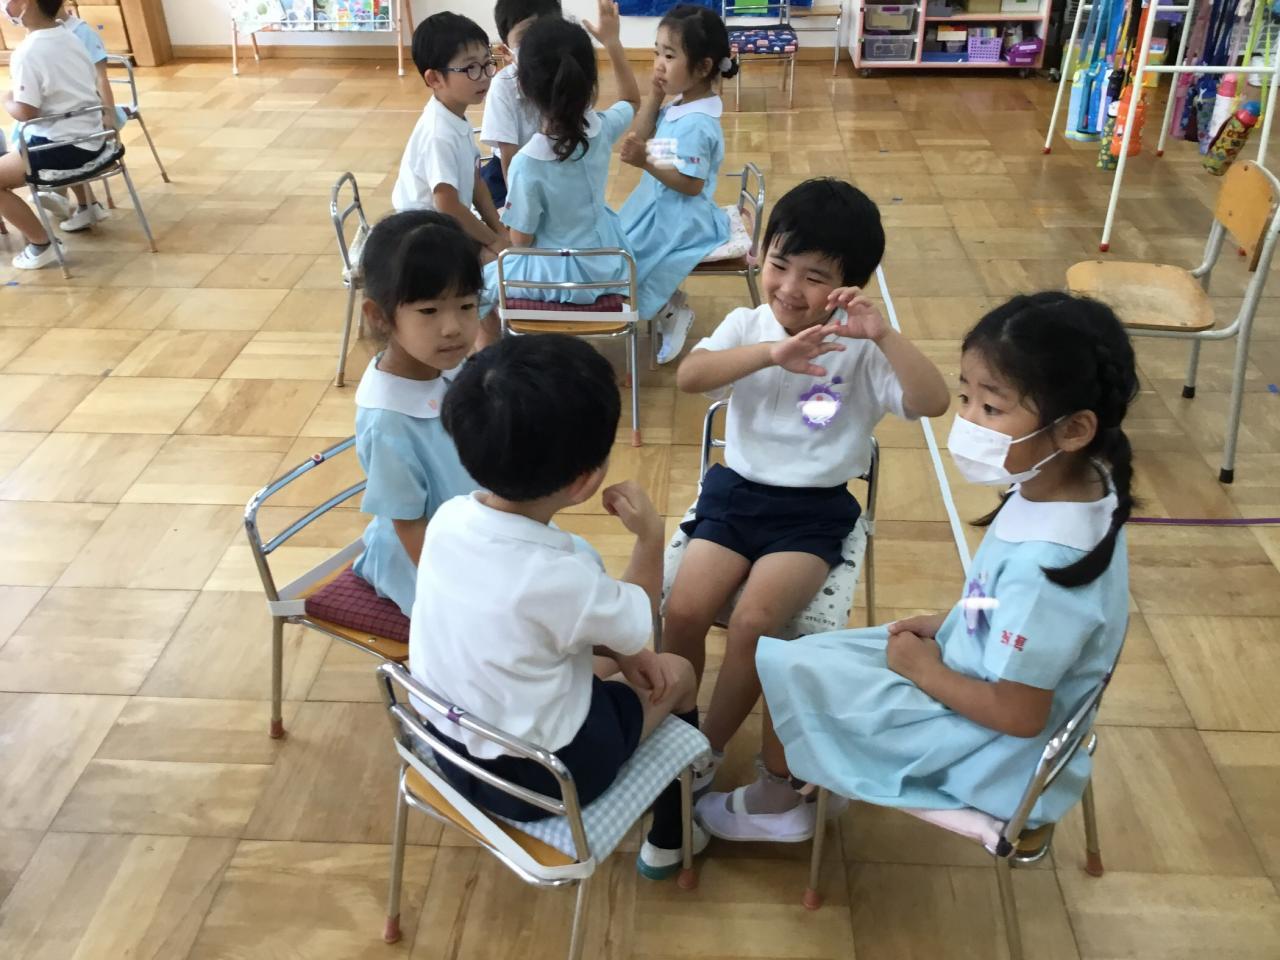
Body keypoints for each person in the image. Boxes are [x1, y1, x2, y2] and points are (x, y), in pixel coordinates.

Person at [700, 293, 1137, 841]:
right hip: (969, 666)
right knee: (798, 659)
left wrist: (924, 671)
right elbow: (1019, 612)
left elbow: (1021, 715)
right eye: (966, 396)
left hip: (987, 753)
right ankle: (802, 780)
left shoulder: (1047, 568)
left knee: (791, 672)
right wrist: (957, 618)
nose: (967, 420)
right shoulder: (1077, 487)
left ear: (1074, 429)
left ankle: (782, 800)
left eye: (991, 409)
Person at [663, 178, 950, 807]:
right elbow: (690, 376)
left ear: (850, 285)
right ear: (761, 257)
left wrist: (884, 336)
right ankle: (675, 728)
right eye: (779, 264)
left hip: (812, 512)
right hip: (734, 495)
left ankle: (705, 749)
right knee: (681, 612)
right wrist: (772, 353)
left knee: (754, 623)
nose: (790, 287)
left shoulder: (862, 347)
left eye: (815, 276)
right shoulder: (747, 323)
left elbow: (933, 401)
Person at [414, 333, 708, 879]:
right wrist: (650, 538)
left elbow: (577, 635)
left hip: (445, 746)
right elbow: (639, 617)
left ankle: (672, 812)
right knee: (680, 672)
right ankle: (674, 833)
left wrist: (623, 655)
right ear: (584, 481)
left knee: (611, 662)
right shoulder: (563, 578)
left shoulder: (449, 519)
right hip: (542, 780)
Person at [349, 210, 484, 618]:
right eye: (429, 311)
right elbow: (409, 525)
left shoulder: (445, 365)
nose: (453, 327)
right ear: (379, 317)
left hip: (472, 531)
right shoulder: (388, 422)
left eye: (467, 305)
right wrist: (459, 597)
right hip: (422, 561)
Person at [483, 0, 640, 310]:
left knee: (480, 286)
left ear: (523, 87)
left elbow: (521, 241)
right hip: (609, 265)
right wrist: (612, 44)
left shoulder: (526, 164)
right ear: (589, 81)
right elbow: (632, 100)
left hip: (554, 276)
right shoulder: (602, 128)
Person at [619, 4, 737, 364]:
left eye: (669, 56)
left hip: (683, 215)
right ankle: (667, 303)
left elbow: (691, 185)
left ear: (702, 67)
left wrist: (646, 162)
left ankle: (671, 313)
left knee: (635, 256)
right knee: (621, 241)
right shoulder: (681, 103)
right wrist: (655, 97)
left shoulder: (698, 123)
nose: (658, 63)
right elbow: (640, 137)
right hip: (660, 203)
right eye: (657, 52)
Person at [391, 12, 507, 262]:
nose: (484, 75)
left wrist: (499, 231)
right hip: (422, 239)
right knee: (502, 261)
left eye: (487, 63)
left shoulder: (454, 115)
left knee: (510, 245)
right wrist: (494, 241)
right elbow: (447, 205)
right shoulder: (439, 134)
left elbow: (476, 182)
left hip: (445, 226)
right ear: (434, 78)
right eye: (470, 68)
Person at [0, 0, 105, 269]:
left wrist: (8, 101)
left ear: (27, 4)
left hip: (62, 147)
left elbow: (26, 112)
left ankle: (42, 244)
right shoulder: (71, 35)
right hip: (93, 138)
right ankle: (87, 206)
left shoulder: (28, 52)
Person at [478, 0, 561, 206]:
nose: (538, 43)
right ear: (506, 50)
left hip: (553, 168)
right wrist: (518, 208)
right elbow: (509, 158)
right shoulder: (503, 85)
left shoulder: (565, 75)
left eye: (547, 32)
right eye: (525, 36)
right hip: (507, 174)